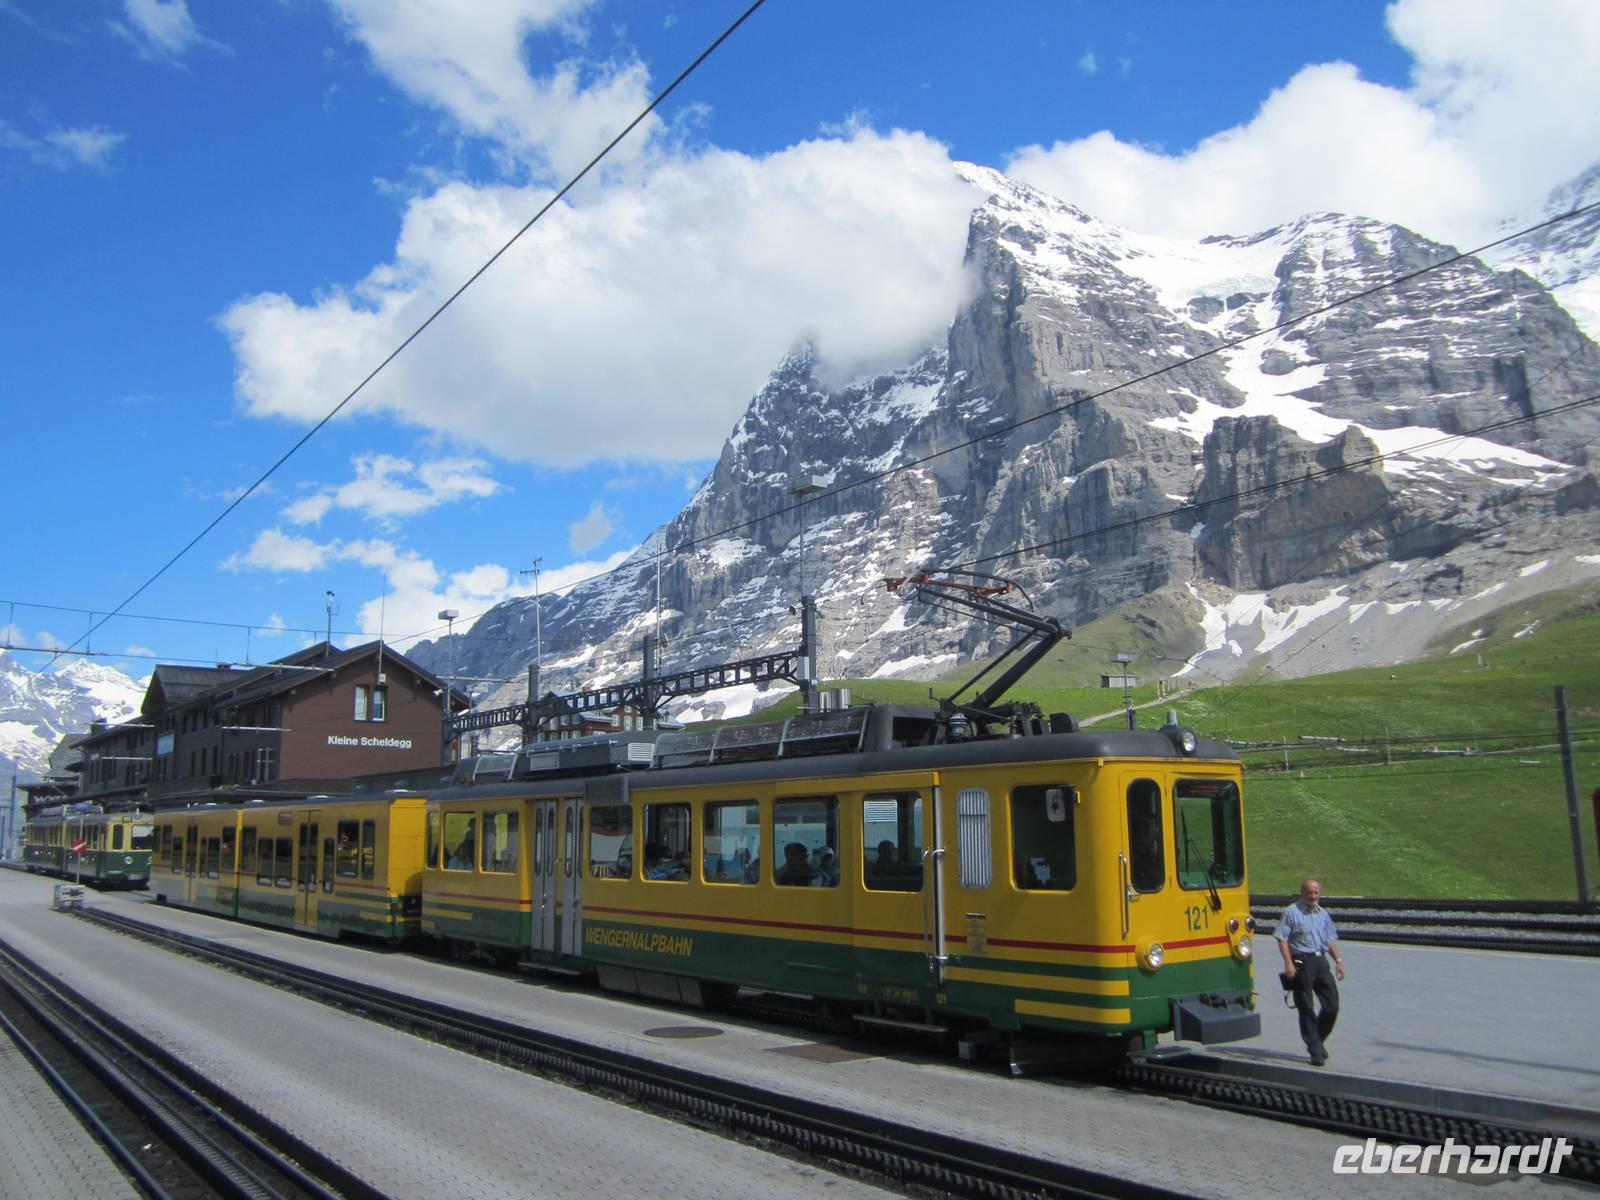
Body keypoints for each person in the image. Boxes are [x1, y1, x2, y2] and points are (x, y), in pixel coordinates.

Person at [1276, 877, 1346, 1066]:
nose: (1313, 896)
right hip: (1299, 957)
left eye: (1316, 893)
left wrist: (1338, 961)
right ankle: (1315, 1048)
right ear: (1302, 893)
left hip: (1319, 958)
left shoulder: (1323, 914)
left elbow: (1330, 940)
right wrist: (1289, 963)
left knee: (1332, 1005)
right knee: (1305, 1004)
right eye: (1310, 892)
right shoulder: (1292, 912)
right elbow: (1282, 938)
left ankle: (1317, 1039)